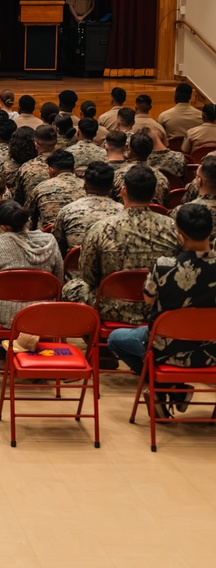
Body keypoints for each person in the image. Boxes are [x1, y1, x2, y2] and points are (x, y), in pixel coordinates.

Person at [108, 204, 216, 417]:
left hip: (167, 351)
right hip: (213, 353)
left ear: (180, 236)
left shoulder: (164, 265)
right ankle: (175, 389)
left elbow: (149, 300)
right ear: (210, 231)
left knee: (115, 338)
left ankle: (163, 388)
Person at [62, 165, 181, 324]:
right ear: (155, 193)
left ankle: (90, 336)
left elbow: (88, 276)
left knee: (71, 288)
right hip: (158, 306)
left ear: (123, 191)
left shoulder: (101, 228)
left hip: (110, 307)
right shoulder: (174, 228)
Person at [0, 200, 64, 336]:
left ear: (3, 227)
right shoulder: (50, 241)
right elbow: (59, 280)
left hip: (3, 315)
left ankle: (4, 353)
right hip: (42, 312)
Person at [52, 161, 123, 255]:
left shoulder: (67, 211)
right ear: (111, 187)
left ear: (85, 186)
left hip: (75, 268)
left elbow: (57, 247)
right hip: (112, 268)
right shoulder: (124, 212)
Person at [27, 149, 84, 229]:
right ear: (73, 169)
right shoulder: (85, 185)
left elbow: (29, 217)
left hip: (50, 236)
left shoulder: (41, 188)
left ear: (51, 169)